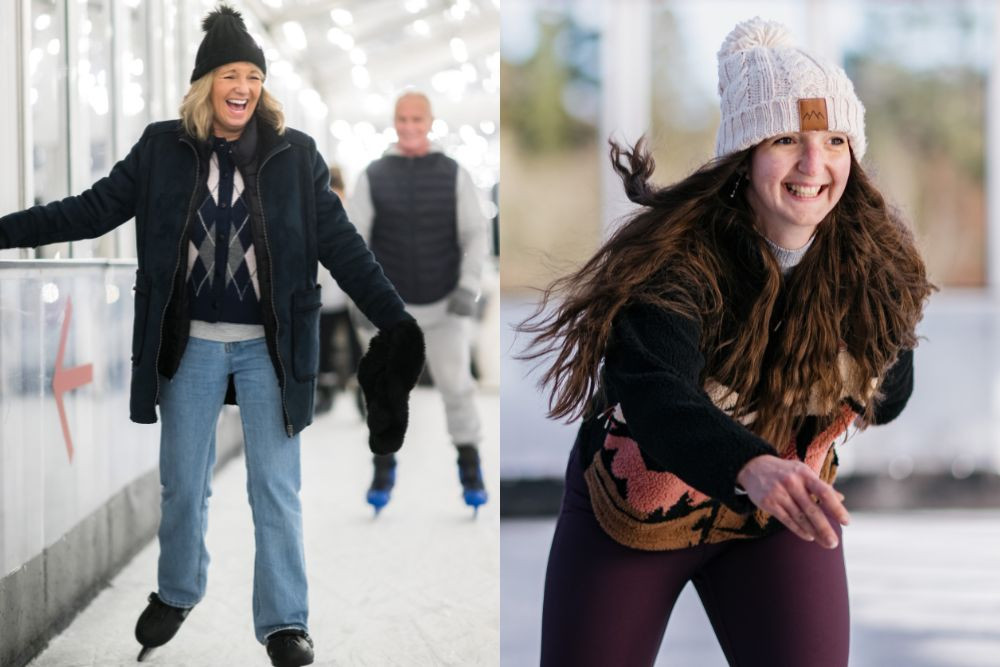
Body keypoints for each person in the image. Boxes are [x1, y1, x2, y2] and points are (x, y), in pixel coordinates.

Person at [0, 6, 424, 667]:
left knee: (275, 486)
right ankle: (177, 588)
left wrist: (396, 318)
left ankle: (285, 622)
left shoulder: (296, 155)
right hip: (189, 341)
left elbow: (342, 247)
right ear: (206, 83)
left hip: (270, 348)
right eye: (232, 73)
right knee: (180, 481)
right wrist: (4, 229)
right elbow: (88, 210)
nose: (244, 87)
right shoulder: (162, 150)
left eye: (254, 75)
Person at [519, 18, 934, 667]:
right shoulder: (677, 261)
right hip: (640, 511)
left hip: (778, 514)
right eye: (786, 138)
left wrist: (877, 340)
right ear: (744, 155)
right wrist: (751, 464)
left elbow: (887, 401)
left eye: (832, 140)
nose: (813, 163)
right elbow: (659, 397)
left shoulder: (869, 264)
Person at [348, 91, 490, 514]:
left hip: (445, 304)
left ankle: (471, 468)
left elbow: (475, 233)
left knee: (458, 389)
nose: (409, 126)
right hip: (392, 310)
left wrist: (468, 286)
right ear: (394, 123)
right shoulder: (373, 175)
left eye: (417, 119)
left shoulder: (453, 173)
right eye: (402, 119)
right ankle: (383, 469)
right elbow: (355, 239)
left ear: (430, 122)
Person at [313, 165, 364, 416]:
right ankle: (327, 390)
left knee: (355, 344)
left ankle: (359, 393)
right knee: (324, 342)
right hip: (327, 293)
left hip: (349, 293)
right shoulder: (317, 209)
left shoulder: (352, 211)